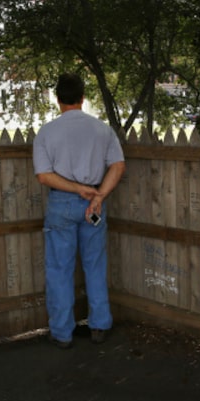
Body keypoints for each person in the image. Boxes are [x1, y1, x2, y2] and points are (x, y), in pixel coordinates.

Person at [33, 73, 126, 349]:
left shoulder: (47, 133)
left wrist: (76, 190)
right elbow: (118, 166)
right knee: (95, 265)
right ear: (83, 98)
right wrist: (98, 196)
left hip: (62, 203)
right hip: (94, 204)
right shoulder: (102, 130)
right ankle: (99, 324)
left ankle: (62, 332)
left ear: (57, 99)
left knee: (60, 269)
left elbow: (44, 176)